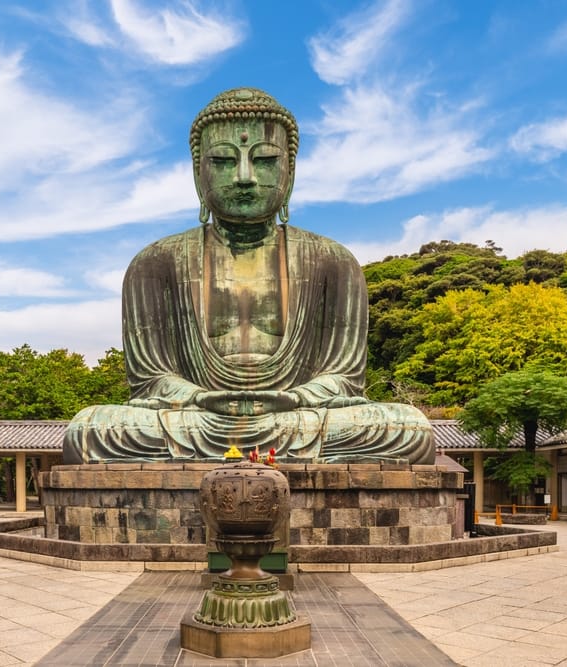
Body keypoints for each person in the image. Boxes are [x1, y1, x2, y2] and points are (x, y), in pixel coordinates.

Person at [63, 87, 432, 464]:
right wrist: (196, 397)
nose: (243, 176)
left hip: (298, 416)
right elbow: (150, 381)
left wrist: (297, 398)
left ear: (289, 172)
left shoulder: (334, 262)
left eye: (265, 160)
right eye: (223, 160)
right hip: (196, 418)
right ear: (197, 172)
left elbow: (343, 378)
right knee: (90, 430)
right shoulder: (155, 264)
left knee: (408, 428)